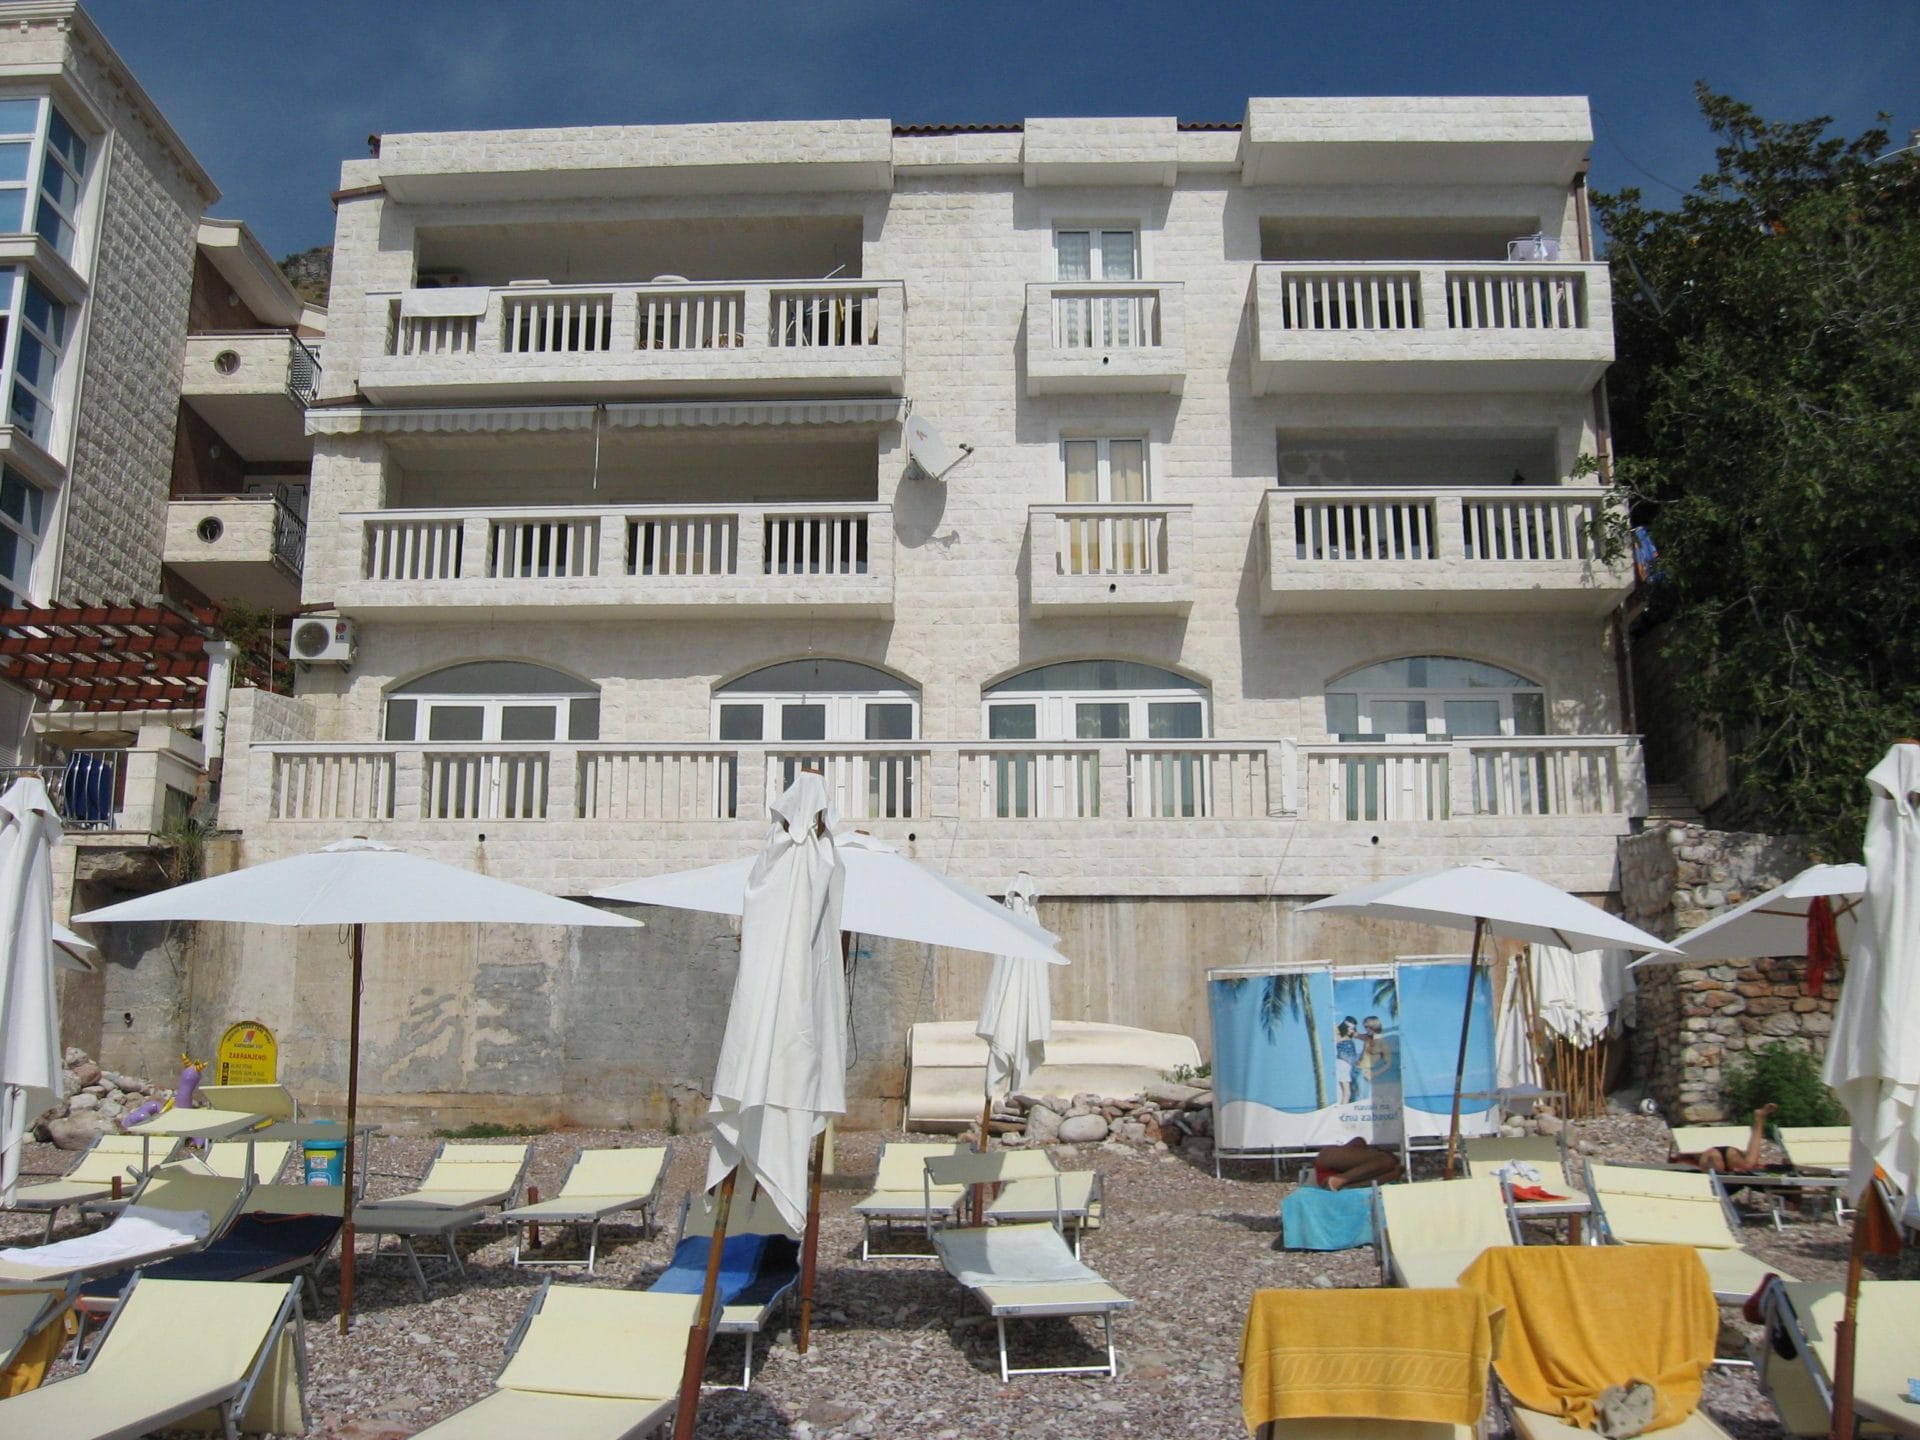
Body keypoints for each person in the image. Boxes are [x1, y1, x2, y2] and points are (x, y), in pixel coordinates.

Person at [1669, 1102, 1779, 1173]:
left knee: (1716, 1180)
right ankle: (1760, 1119)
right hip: (1724, 1153)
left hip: (1711, 1155)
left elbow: (1683, 1157)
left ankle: (1760, 1118)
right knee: (1748, 1165)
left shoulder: (1694, 1147)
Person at [1311, 1136, 1404, 1191]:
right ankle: (1340, 1181)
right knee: (1392, 1166)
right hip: (1334, 1174)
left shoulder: (1391, 1168)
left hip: (1332, 1172)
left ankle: (1340, 1181)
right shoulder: (1392, 1169)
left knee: (1391, 1165)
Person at [1333, 1017, 1361, 1104]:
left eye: (1353, 1028)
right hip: (1342, 1065)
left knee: (1348, 1092)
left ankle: (1342, 1108)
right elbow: (1335, 1029)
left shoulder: (1350, 1035)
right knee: (1347, 1093)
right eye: (1350, 1028)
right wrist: (1343, 1025)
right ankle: (1341, 1110)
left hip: (1348, 1066)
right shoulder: (1339, 1036)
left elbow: (1363, 1036)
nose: (1352, 1031)